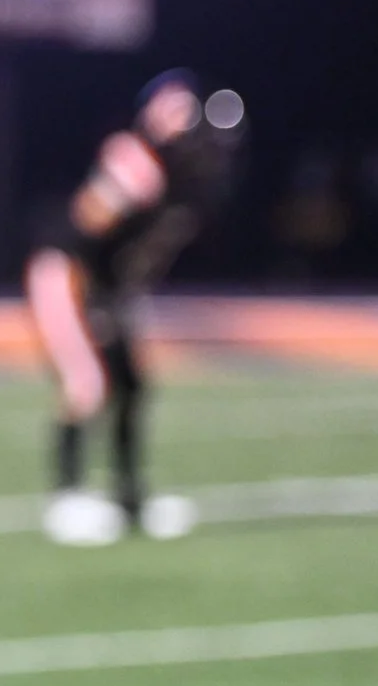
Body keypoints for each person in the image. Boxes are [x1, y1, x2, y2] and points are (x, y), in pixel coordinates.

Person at [26, 70, 242, 546]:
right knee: (86, 384)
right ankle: (65, 500)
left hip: (110, 288)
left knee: (132, 385)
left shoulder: (183, 186)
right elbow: (86, 226)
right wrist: (94, 303)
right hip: (68, 277)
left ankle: (129, 497)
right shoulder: (136, 162)